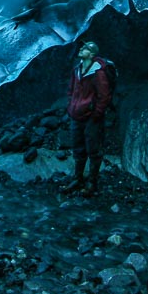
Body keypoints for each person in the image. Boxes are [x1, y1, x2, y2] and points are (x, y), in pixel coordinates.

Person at [63, 41, 111, 197]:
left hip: (90, 118)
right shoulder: (77, 70)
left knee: (93, 149)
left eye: (85, 49)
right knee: (78, 147)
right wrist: (71, 106)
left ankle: (92, 182)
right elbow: (71, 89)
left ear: (91, 54)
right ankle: (78, 178)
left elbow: (104, 96)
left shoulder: (98, 73)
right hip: (76, 115)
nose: (81, 49)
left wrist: (96, 114)